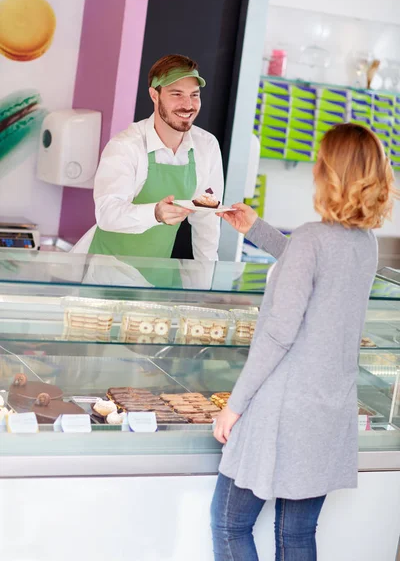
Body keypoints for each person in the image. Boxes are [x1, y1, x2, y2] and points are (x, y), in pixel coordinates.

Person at [210, 123, 397, 561]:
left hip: (283, 411)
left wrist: (233, 406)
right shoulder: (364, 243)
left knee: (228, 523)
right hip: (327, 412)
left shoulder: (314, 238)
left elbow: (278, 332)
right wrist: (257, 229)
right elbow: (315, 268)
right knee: (296, 536)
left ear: (330, 173)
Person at [72, 54, 224, 262]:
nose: (188, 105)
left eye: (194, 95)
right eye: (177, 94)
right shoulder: (126, 146)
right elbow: (107, 214)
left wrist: (207, 286)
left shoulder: (206, 146)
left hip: (157, 274)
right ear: (155, 95)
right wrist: (155, 214)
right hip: (105, 271)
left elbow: (207, 221)